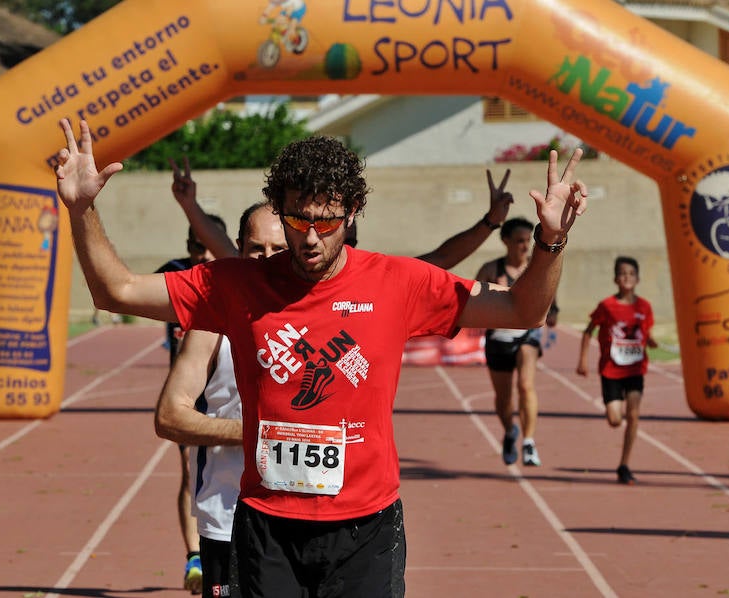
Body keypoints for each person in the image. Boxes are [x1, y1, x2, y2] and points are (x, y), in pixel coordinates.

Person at [54, 118, 587, 597]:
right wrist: (81, 208)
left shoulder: (398, 281)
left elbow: (522, 309)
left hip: (366, 527)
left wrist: (551, 241)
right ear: (280, 212)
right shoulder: (237, 284)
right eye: (296, 220)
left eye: (326, 223)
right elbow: (115, 291)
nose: (309, 238)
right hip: (266, 525)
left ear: (352, 212)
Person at [156, 200, 288, 598]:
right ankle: (193, 556)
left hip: (308, 521)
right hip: (229, 518)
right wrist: (254, 434)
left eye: (279, 250)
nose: (267, 260)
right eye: (256, 250)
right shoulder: (212, 319)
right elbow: (169, 418)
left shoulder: (323, 313)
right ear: (238, 250)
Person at [153, 196, 228, 594]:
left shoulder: (233, 280)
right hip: (187, 392)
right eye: (195, 245)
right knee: (189, 472)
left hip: (227, 392)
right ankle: (195, 556)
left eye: (207, 245)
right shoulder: (176, 274)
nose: (201, 254)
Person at [475, 217, 559, 467]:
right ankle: (510, 430)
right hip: (498, 338)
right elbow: (473, 300)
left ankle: (529, 441)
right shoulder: (491, 270)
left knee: (525, 385)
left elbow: (550, 298)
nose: (524, 246)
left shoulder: (536, 269)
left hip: (526, 335)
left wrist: (552, 312)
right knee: (503, 398)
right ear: (506, 242)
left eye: (527, 241)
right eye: (520, 241)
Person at [576, 256, 656, 485]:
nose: (627, 277)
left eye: (631, 274)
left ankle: (624, 465)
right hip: (611, 370)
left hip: (635, 369)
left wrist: (650, 342)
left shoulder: (644, 307)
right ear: (615, 279)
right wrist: (583, 360)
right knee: (614, 420)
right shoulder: (607, 306)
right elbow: (588, 331)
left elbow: (645, 333)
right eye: (622, 274)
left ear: (638, 279)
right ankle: (615, 418)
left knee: (633, 415)